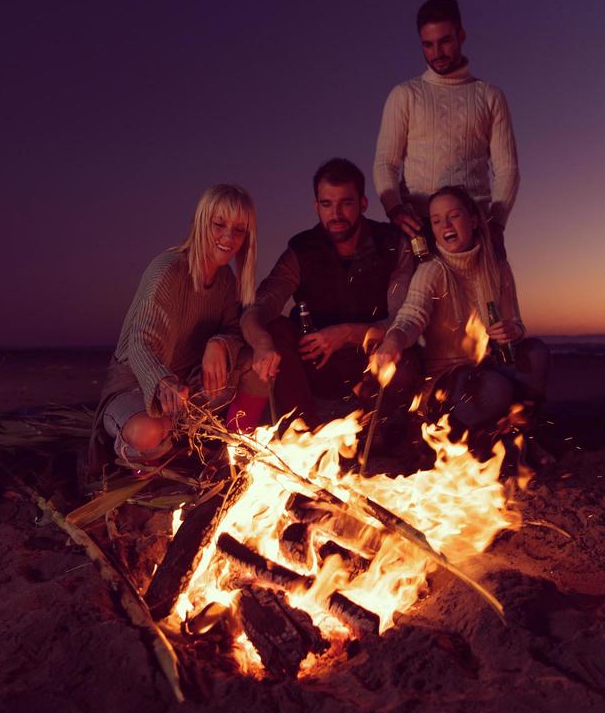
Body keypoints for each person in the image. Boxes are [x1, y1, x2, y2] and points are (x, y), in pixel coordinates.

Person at [88, 184, 266, 476]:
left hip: (187, 390)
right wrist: (162, 381)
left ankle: (232, 454)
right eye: (219, 225)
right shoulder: (167, 269)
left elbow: (234, 329)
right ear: (200, 222)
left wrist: (218, 344)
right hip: (136, 388)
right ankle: (156, 459)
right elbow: (139, 343)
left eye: (239, 230)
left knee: (256, 365)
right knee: (147, 433)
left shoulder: (226, 281)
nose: (228, 238)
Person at [241, 158, 420, 436]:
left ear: (362, 203)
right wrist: (262, 343)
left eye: (345, 203)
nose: (335, 214)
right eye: (326, 204)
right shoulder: (302, 250)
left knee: (405, 359)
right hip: (317, 367)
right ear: (316, 207)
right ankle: (305, 434)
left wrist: (347, 334)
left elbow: (401, 319)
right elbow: (257, 308)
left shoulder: (392, 244)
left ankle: (381, 432)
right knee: (276, 329)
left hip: (372, 364)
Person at [371, 185, 549, 447]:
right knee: (496, 388)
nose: (445, 225)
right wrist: (394, 340)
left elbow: (517, 323)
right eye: (436, 220)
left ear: (473, 219)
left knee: (536, 353)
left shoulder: (498, 267)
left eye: (453, 215)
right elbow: (410, 316)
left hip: (490, 364)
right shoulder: (431, 270)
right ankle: (456, 439)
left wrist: (513, 330)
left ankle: (518, 437)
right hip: (448, 378)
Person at [373, 0, 519, 254]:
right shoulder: (405, 94)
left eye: (445, 41)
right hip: (418, 230)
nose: (436, 53)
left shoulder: (489, 96)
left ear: (461, 35)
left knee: (493, 295)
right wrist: (394, 209)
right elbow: (386, 163)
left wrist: (497, 224)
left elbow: (507, 169)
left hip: (476, 228)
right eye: (428, 45)